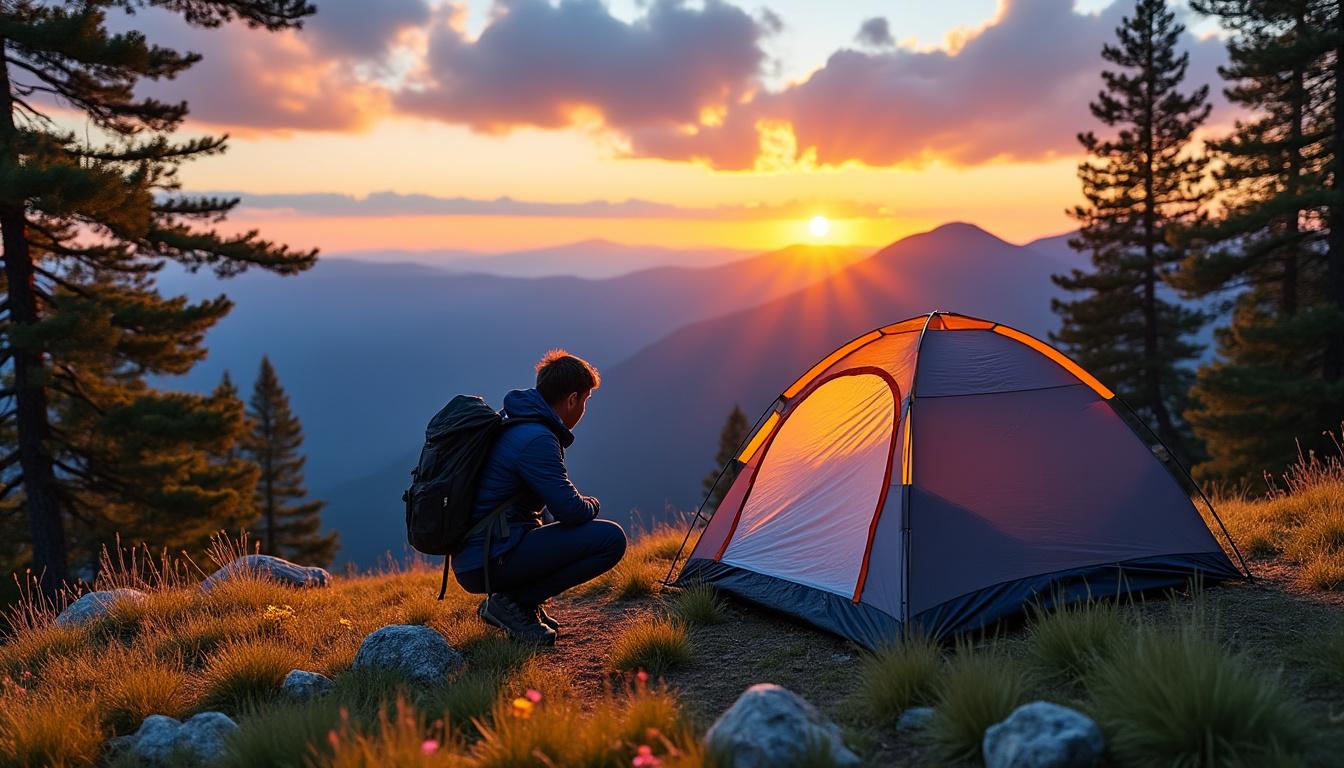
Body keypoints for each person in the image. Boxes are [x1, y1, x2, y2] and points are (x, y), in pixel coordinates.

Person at [452, 349, 627, 643]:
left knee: (550, 526)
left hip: (480, 553)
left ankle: (522, 603)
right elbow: (570, 511)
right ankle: (514, 603)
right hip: (489, 557)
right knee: (610, 540)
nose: (583, 409)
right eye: (584, 401)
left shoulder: (518, 421)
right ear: (572, 399)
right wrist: (593, 504)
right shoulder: (537, 438)